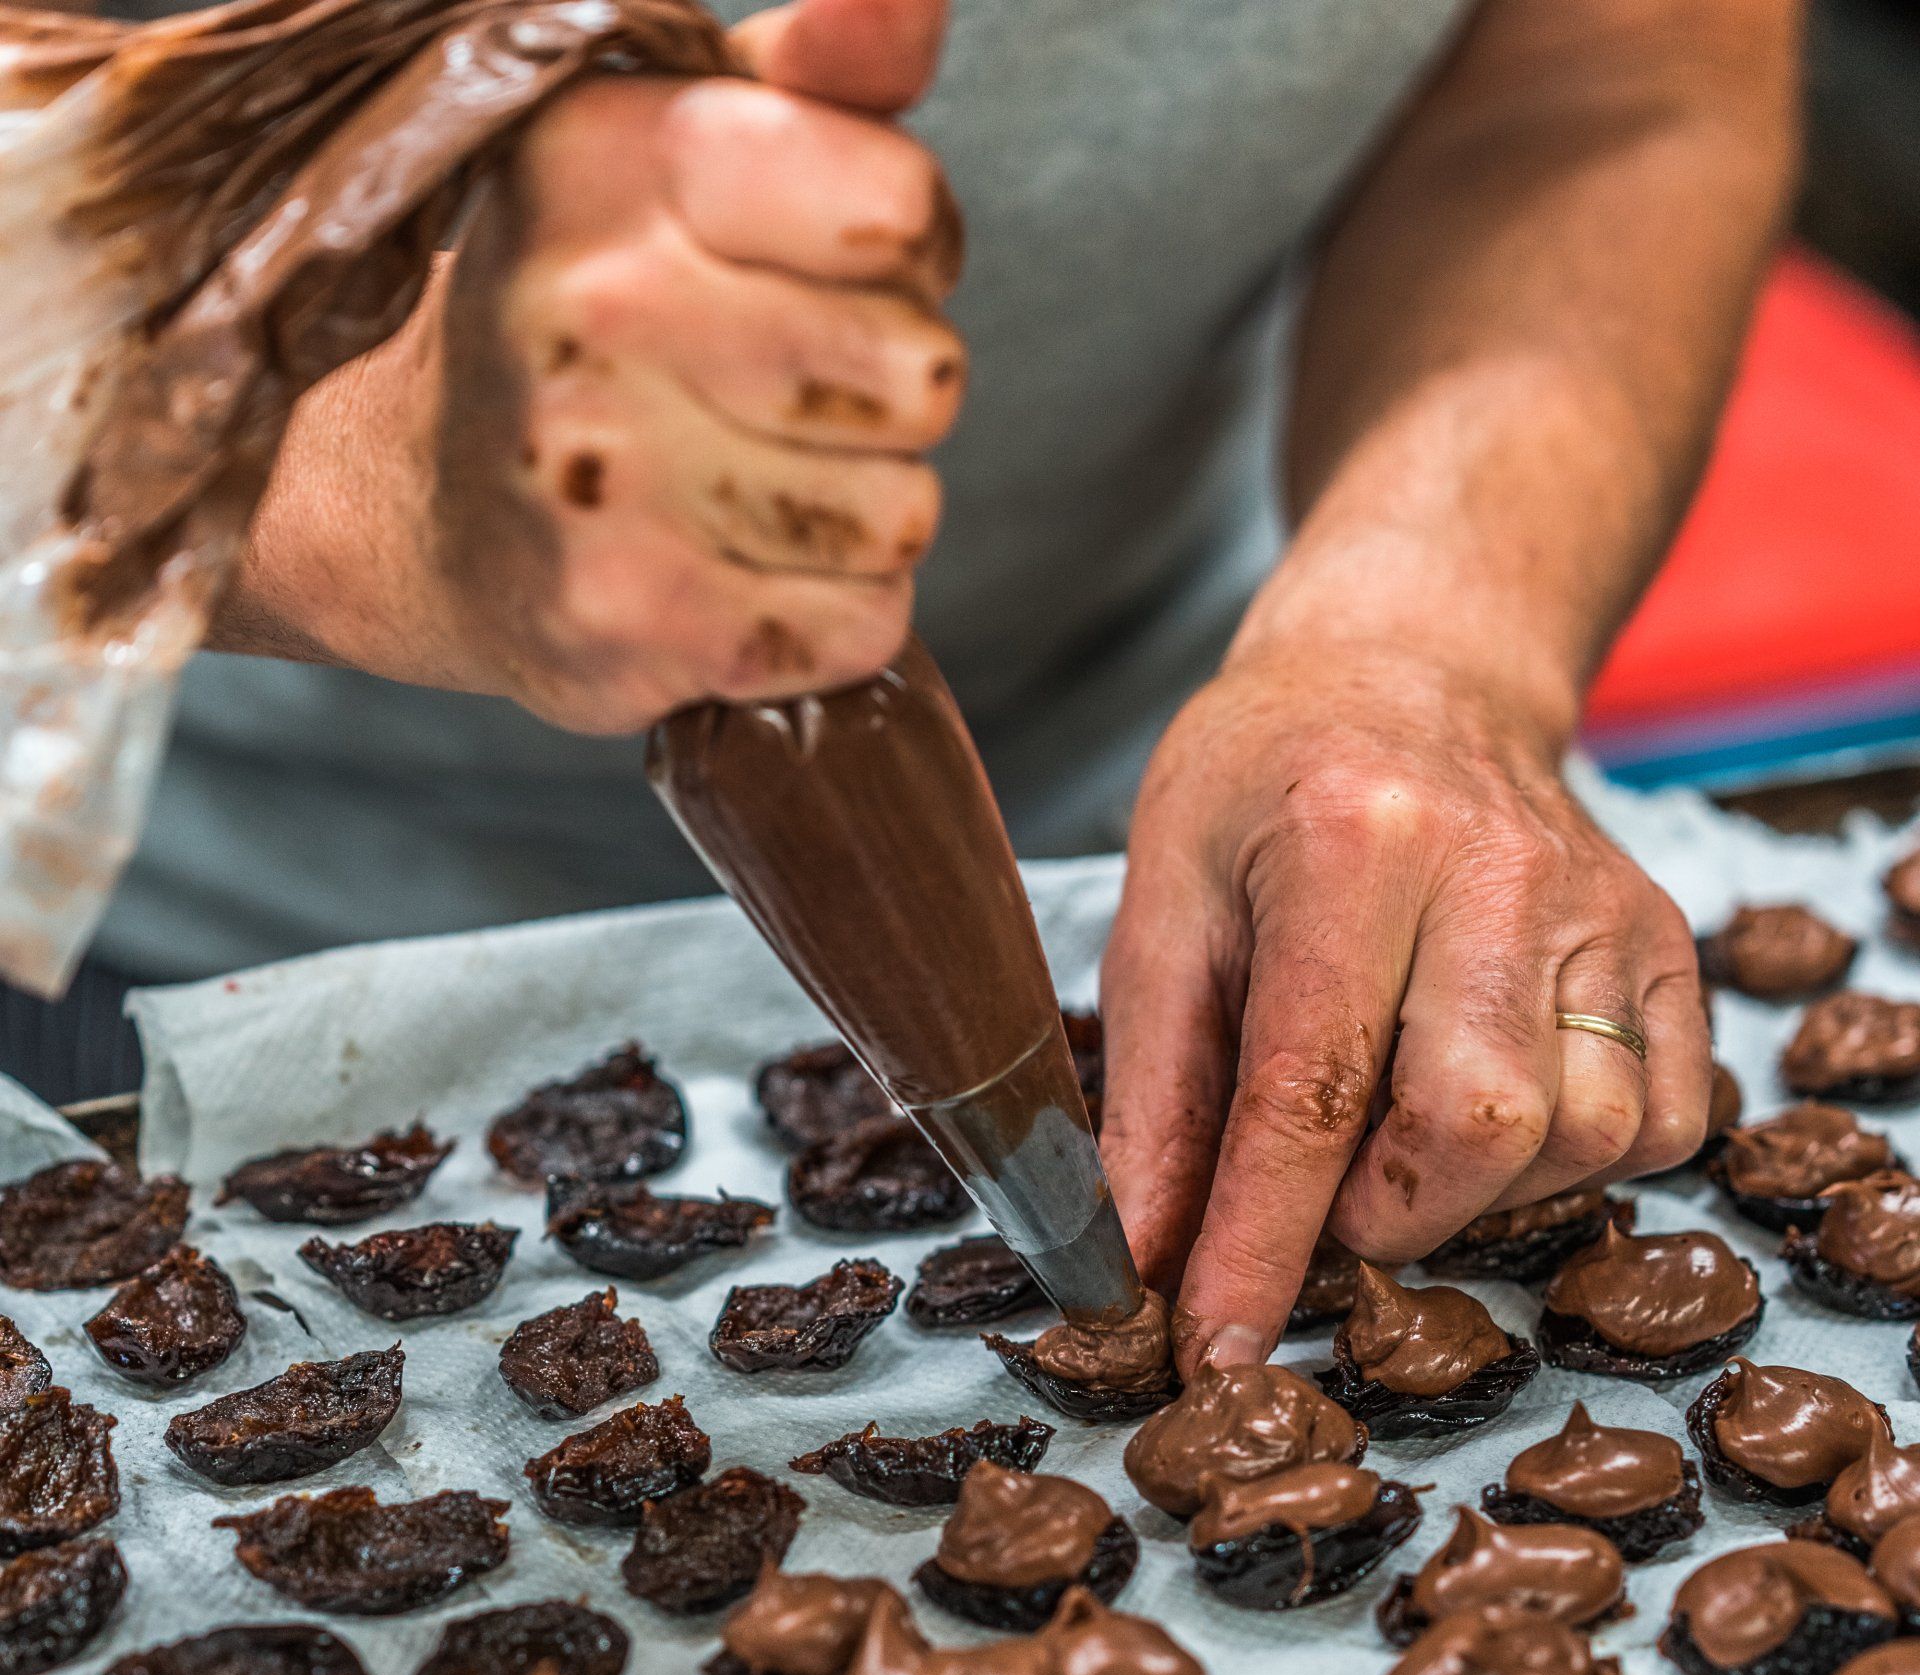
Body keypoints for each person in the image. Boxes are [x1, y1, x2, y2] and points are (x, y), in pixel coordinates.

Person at [9, 0, 1800, 1377]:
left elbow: (1599, 91)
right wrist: (309, 465)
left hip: (1166, 858)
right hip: (128, 910)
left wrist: (1423, 631)